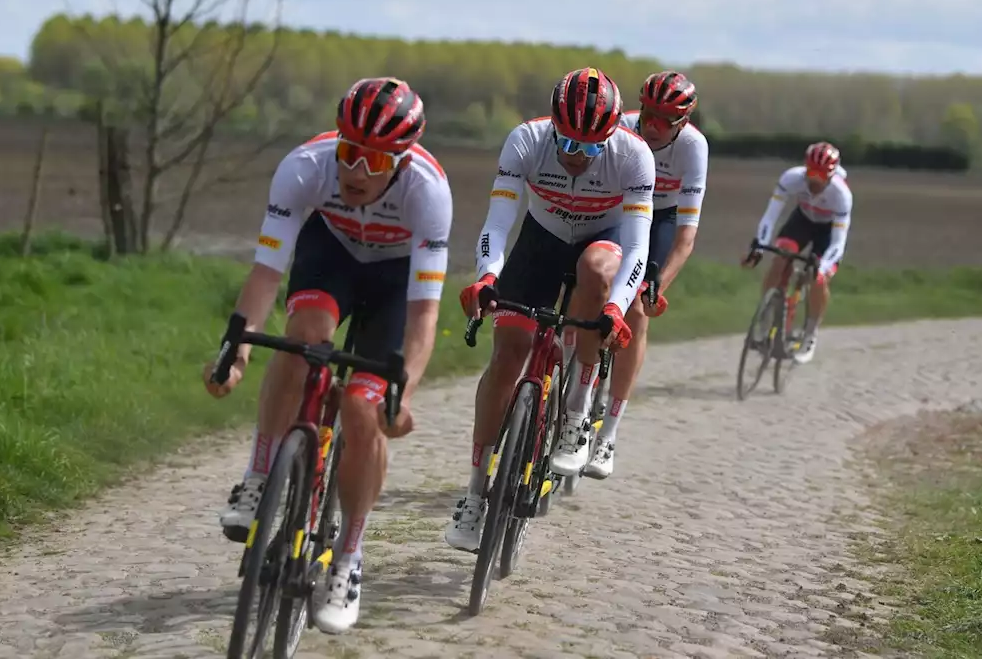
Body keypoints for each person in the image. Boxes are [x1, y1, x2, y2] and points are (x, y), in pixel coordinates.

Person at [202, 77, 452, 634]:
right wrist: (237, 353)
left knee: (365, 409)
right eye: (350, 153)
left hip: (394, 280)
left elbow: (423, 317)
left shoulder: (428, 193)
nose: (358, 171)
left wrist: (399, 395)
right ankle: (259, 473)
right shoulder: (304, 168)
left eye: (377, 160)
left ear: (403, 161)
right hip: (332, 251)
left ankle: (348, 557)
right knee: (303, 339)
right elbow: (267, 273)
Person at [444, 67, 655, 552]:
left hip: (602, 241)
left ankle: (577, 414)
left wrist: (618, 310)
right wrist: (487, 277)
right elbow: (498, 223)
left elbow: (638, 247)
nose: (579, 158)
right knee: (506, 356)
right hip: (542, 238)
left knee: (598, 271)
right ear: (553, 129)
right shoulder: (526, 141)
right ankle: (475, 494)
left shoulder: (634, 156)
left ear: (613, 135)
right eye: (570, 145)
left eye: (593, 148)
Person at [585, 70, 708, 480]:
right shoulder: (621, 127)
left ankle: (609, 434)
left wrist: (658, 287)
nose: (652, 126)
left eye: (664, 120)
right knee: (588, 277)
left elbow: (686, 237)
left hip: (661, 218)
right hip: (617, 208)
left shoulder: (693, 147)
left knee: (635, 307)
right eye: (648, 114)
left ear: (684, 122)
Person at [743, 141, 852, 364]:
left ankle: (810, 334)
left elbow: (839, 242)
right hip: (802, 220)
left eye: (821, 176)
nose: (814, 181)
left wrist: (822, 269)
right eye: (811, 173)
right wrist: (759, 245)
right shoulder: (791, 178)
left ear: (831, 176)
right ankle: (765, 318)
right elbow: (771, 215)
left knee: (818, 279)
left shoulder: (841, 195)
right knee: (780, 256)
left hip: (828, 231)